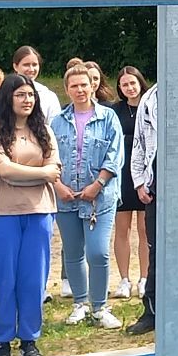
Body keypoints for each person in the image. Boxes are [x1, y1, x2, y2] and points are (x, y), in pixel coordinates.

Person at [0, 75, 58, 356]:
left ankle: (29, 339)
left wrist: (20, 172)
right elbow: (4, 171)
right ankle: (2, 341)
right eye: (20, 95)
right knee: (3, 278)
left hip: (39, 213)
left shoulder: (44, 131)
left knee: (33, 279)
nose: (27, 100)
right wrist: (38, 174)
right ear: (8, 98)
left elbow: (55, 168)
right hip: (2, 213)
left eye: (30, 95)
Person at [125, 73, 178, 336]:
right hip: (157, 185)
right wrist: (139, 181)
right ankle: (152, 312)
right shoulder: (149, 99)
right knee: (157, 251)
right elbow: (139, 142)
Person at [50, 63, 125, 329]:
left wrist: (98, 184)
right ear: (66, 89)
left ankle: (100, 306)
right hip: (66, 197)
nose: (80, 90)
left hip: (100, 199)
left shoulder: (108, 118)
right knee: (72, 252)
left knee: (97, 252)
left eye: (84, 84)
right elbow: (49, 156)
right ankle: (79, 303)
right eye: (74, 86)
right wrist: (58, 186)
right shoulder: (57, 121)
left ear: (92, 86)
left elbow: (115, 156)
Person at [108, 67, 149, 299]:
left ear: (140, 83)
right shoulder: (115, 110)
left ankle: (145, 278)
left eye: (133, 83)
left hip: (143, 174)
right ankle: (124, 279)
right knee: (122, 229)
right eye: (125, 85)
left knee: (145, 230)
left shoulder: (150, 108)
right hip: (121, 173)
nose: (130, 88)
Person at [11, 47, 62, 125]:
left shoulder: (48, 96)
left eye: (34, 65)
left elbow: (55, 126)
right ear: (15, 66)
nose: (31, 69)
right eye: (26, 65)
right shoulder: (5, 92)